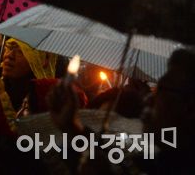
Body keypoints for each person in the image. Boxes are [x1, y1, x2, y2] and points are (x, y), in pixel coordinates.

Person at [48, 47, 195, 174]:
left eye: (160, 90)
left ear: (190, 106)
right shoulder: (159, 161)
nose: (148, 99)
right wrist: (72, 126)